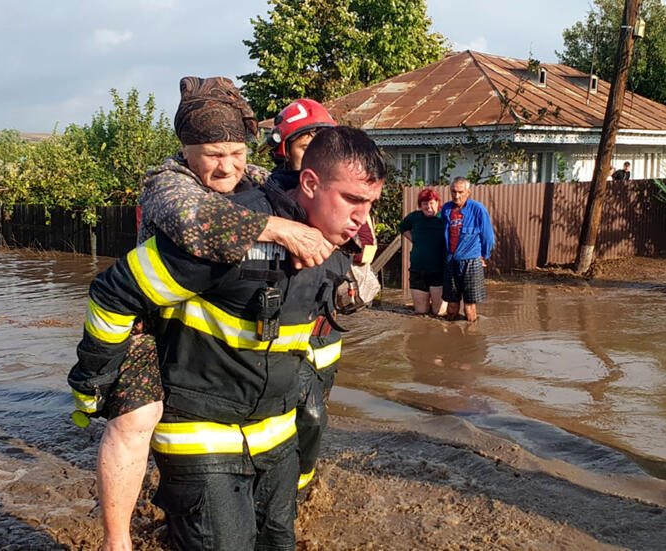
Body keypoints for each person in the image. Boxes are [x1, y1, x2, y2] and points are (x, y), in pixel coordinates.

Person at [69, 126, 387, 550]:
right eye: (353, 200)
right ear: (310, 183)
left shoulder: (333, 240)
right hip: (201, 436)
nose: (362, 219)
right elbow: (113, 292)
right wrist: (95, 379)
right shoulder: (228, 234)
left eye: (370, 204)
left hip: (274, 436)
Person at [267, 98, 378, 498]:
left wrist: (359, 278)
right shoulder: (267, 197)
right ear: (285, 150)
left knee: (312, 415)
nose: (313, 146)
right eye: (303, 141)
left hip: (322, 333)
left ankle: (301, 482)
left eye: (321, 138)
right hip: (278, 330)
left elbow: (364, 248)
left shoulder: (348, 200)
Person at [440, 177, 494, 323]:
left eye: (460, 192)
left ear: (468, 192)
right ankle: (451, 336)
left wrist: (483, 257)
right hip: (451, 261)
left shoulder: (478, 209)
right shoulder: (446, 209)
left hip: (471, 261)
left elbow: (488, 237)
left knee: (469, 306)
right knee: (451, 305)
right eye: (453, 192)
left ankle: (471, 339)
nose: (456, 196)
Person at [398, 188, 447, 315]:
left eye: (431, 202)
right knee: (421, 312)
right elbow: (402, 227)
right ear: (420, 205)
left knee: (439, 312)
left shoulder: (444, 218)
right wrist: (414, 239)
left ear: (437, 203)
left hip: (439, 271)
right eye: (425, 203)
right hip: (418, 270)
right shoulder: (414, 217)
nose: (428, 206)